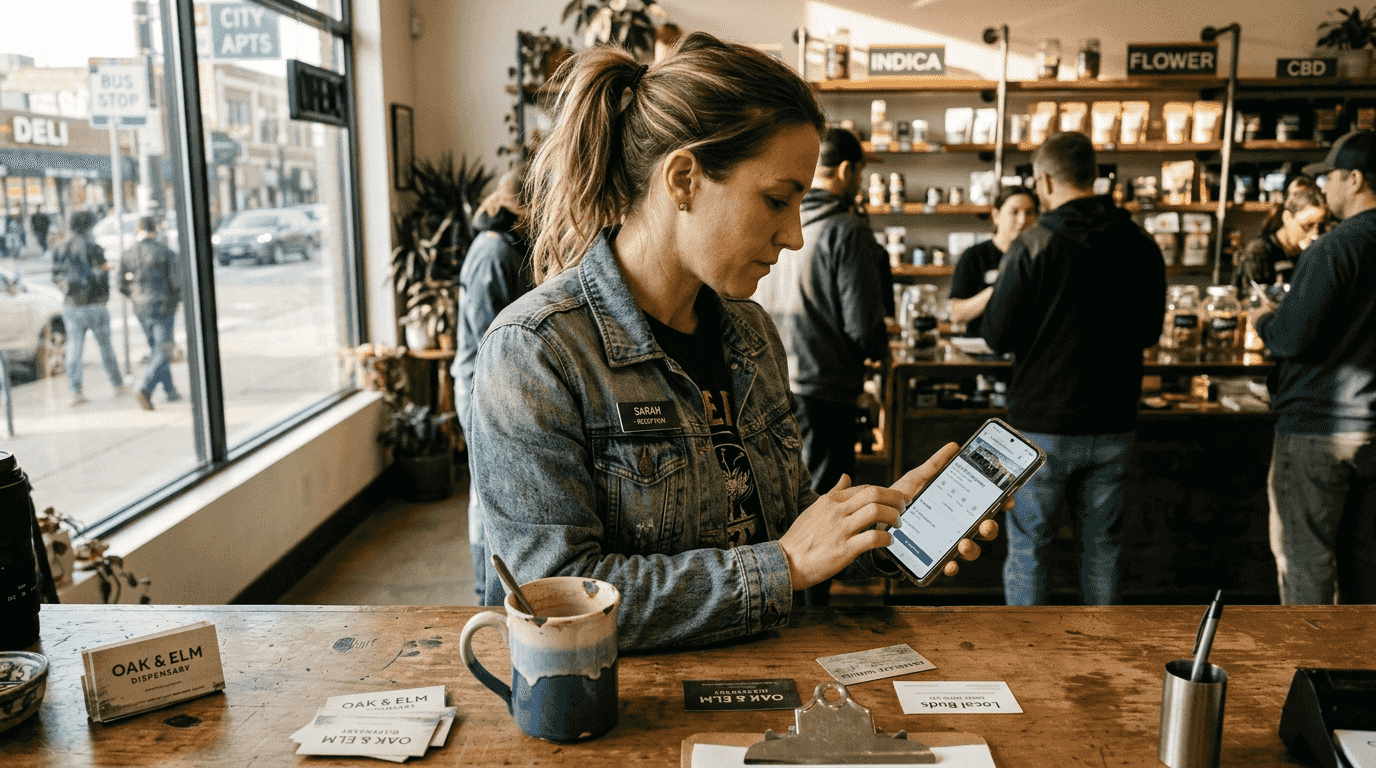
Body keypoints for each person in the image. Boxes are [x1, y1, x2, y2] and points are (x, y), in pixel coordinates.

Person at [467, 33, 998, 650]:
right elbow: (553, 599)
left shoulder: (752, 333)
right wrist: (784, 567)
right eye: (776, 200)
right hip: (628, 702)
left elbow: (784, 519)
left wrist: (880, 529)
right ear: (684, 179)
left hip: (768, 677)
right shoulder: (536, 352)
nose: (795, 235)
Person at [982, 131, 1166, 606]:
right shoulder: (1140, 243)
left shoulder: (1033, 243)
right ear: (1094, 175)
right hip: (1113, 422)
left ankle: (1027, 649)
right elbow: (1149, 331)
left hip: (1041, 426)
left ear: (1043, 181)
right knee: (1103, 550)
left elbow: (996, 335)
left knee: (1030, 548)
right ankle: (1099, 648)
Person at [1251, 130, 1376, 605]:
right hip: (1372, 429)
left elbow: (1290, 337)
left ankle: (1310, 654)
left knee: (1306, 564)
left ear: (1356, 179)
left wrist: (1263, 319)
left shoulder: (1333, 248)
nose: (1325, 187)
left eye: (1332, 177)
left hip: (1318, 428)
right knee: (1365, 568)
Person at [452, 165, 534, 600]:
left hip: (502, 384)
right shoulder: (493, 252)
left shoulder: (509, 245)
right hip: (482, 387)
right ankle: (486, 590)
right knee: (488, 494)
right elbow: (493, 340)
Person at [52, 210, 126, 406]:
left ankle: (75, 391)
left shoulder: (60, 247)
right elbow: (103, 274)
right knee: (105, 346)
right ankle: (117, 383)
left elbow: (55, 275)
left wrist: (67, 287)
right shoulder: (94, 247)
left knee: (74, 348)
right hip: (95, 304)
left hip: (72, 305)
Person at [949, 186, 1039, 338]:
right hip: (981, 347)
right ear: (996, 215)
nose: (1023, 220)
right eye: (1014, 212)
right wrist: (1000, 289)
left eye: (1029, 212)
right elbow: (956, 314)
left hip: (1026, 347)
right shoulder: (974, 256)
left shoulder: (1039, 256)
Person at [119, 215, 182, 410]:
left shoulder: (129, 253)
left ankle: (170, 390)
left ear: (137, 230)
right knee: (163, 350)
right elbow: (177, 283)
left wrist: (134, 296)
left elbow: (120, 284)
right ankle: (145, 388)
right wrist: (176, 301)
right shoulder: (165, 252)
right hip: (163, 306)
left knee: (157, 349)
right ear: (155, 230)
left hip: (141, 308)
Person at [1232, 177, 1327, 294]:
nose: (1315, 235)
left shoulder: (1311, 254)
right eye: (1307, 226)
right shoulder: (1258, 252)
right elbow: (1246, 298)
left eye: (1320, 227)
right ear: (1287, 218)